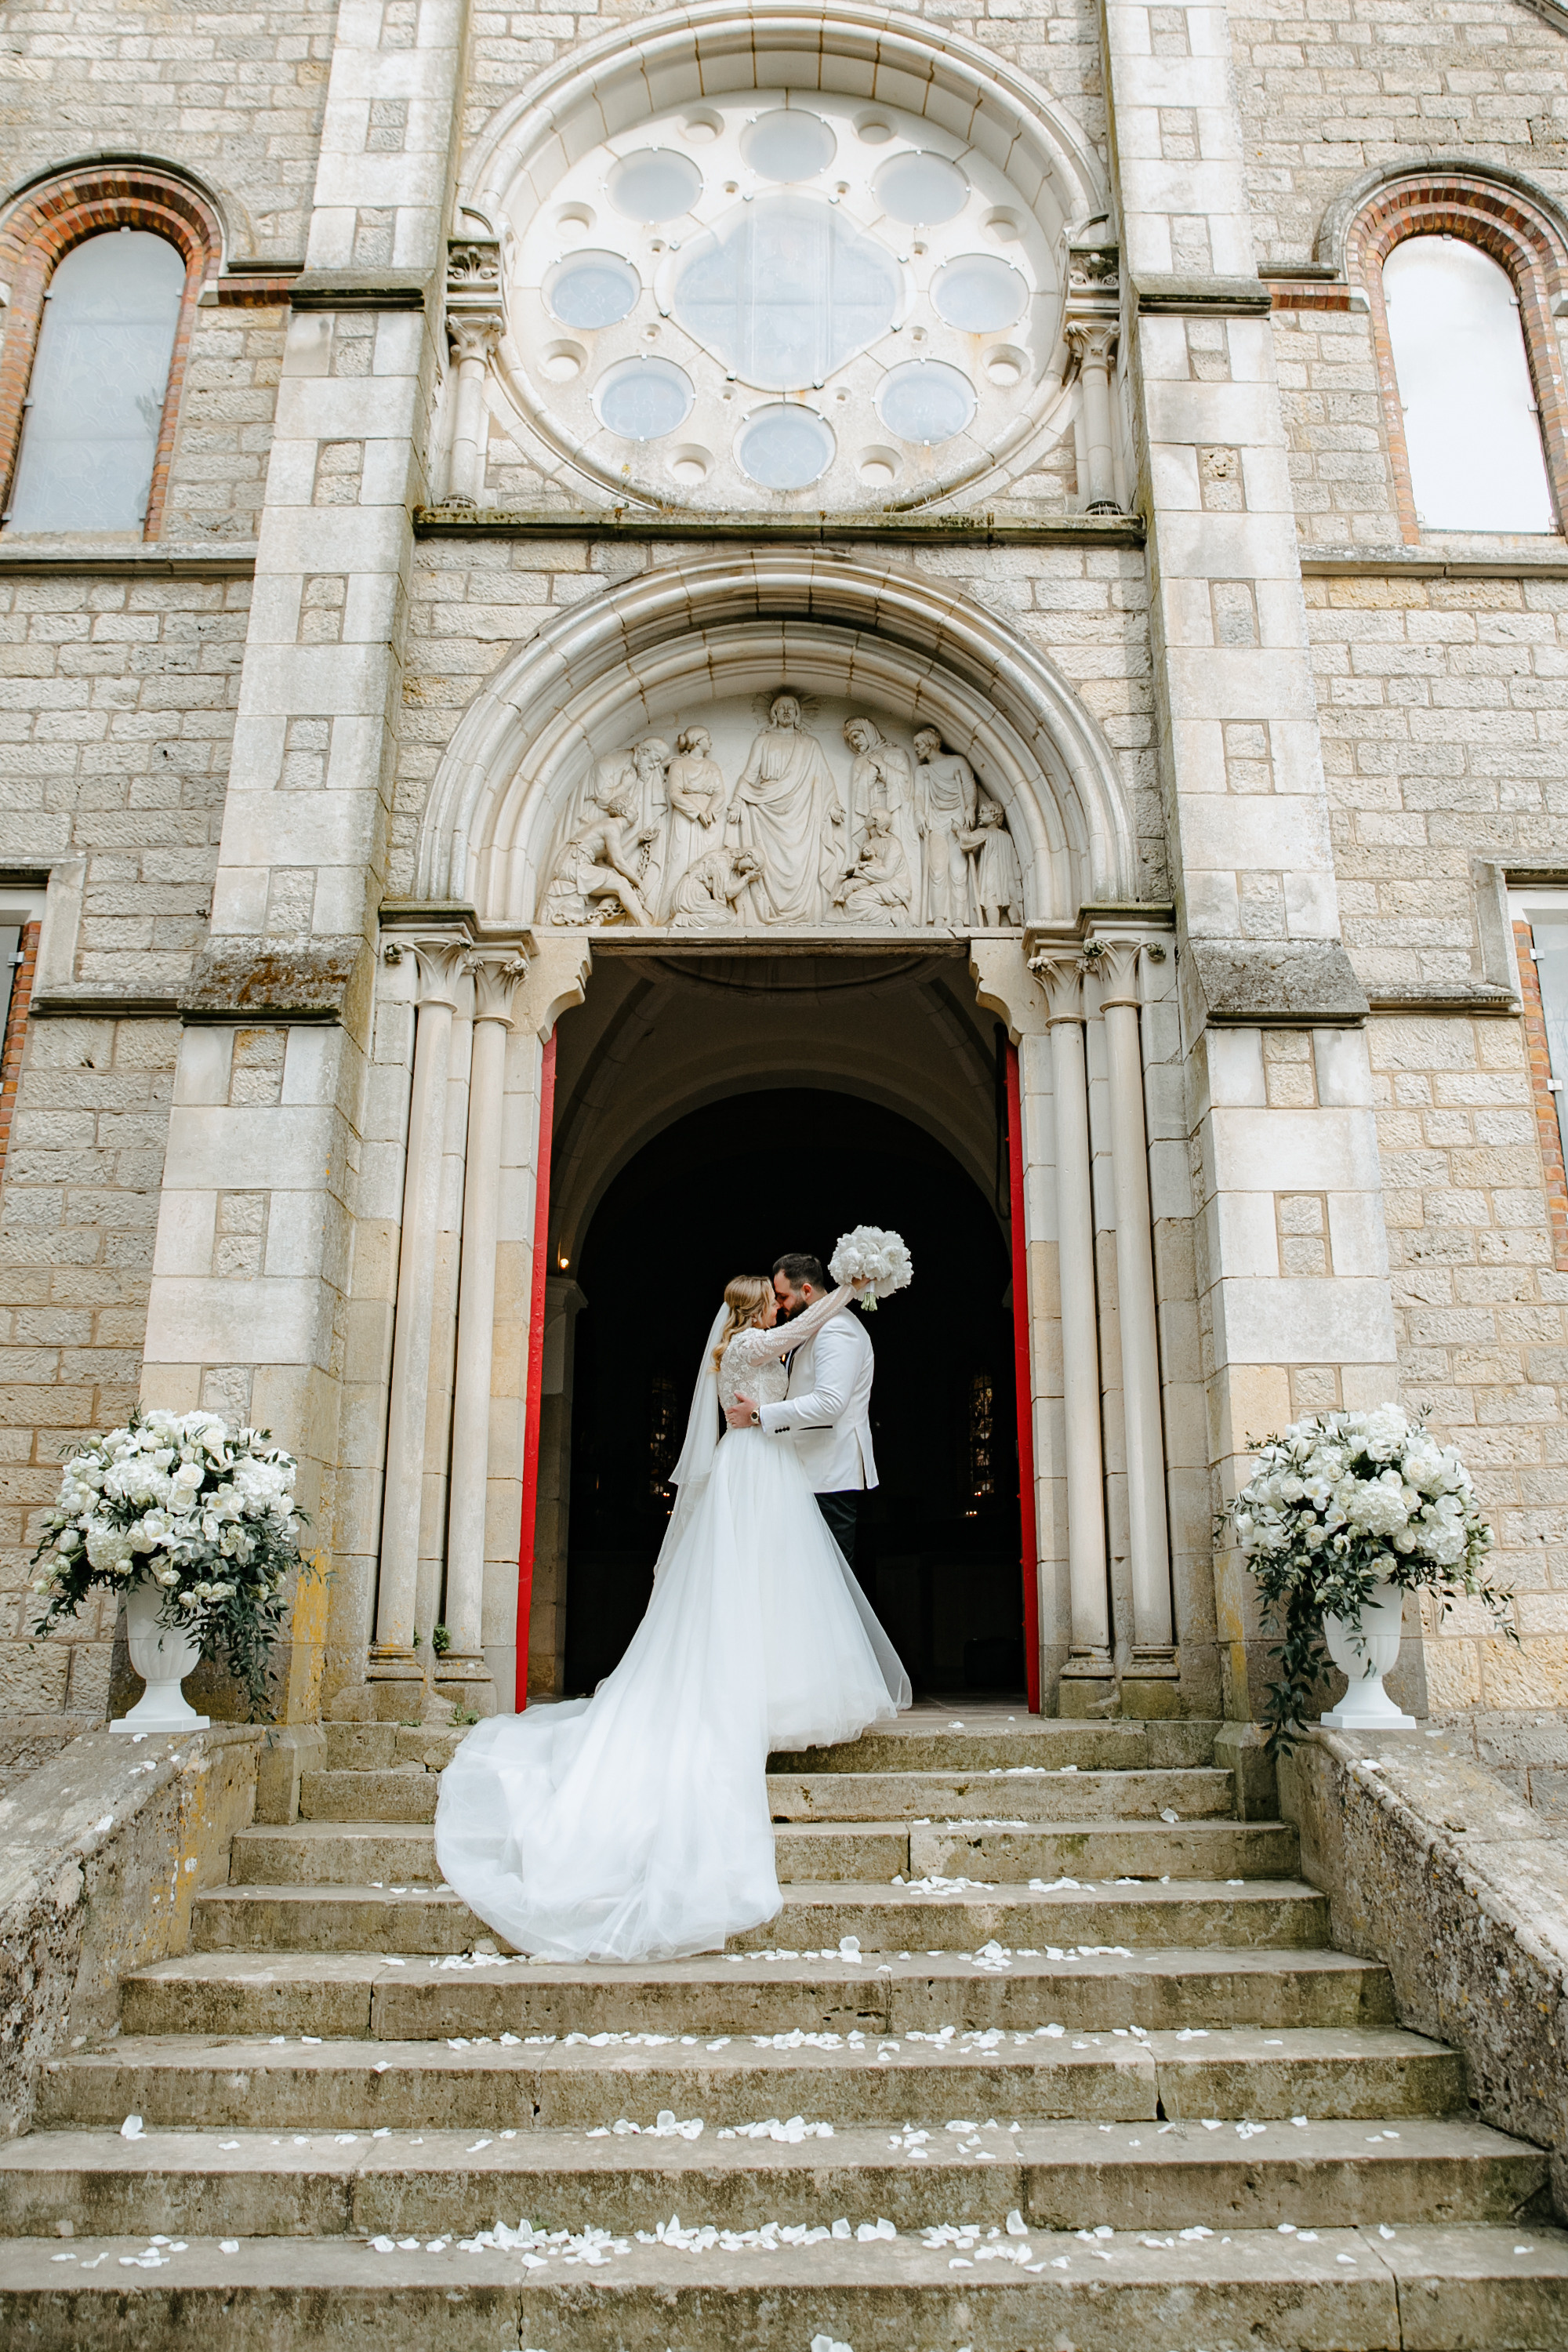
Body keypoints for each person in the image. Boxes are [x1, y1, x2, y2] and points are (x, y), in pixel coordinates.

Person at [434, 1268, 909, 1962]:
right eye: (774, 1299)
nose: (783, 1306)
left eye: (785, 1296)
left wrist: (845, 1289)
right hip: (756, 1465)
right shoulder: (752, 1349)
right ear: (755, 1311)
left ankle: (773, 1683)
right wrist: (854, 1284)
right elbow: (804, 1332)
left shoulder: (745, 1346)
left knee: (768, 1582)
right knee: (752, 1580)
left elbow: (806, 1341)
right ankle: (755, 1687)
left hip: (764, 1465)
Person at [728, 1250, 877, 1569]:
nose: (778, 1306)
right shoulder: (812, 1328)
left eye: (781, 1297)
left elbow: (829, 1403)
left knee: (830, 1577)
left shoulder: (837, 1330)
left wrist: (761, 1414)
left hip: (828, 1474)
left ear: (806, 1291)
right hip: (805, 1472)